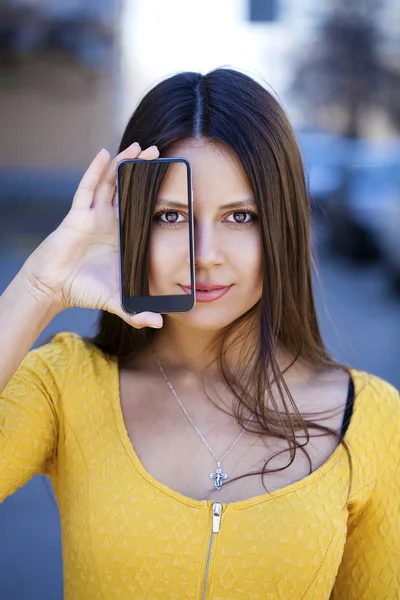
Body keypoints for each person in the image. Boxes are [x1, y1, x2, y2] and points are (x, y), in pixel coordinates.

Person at [1, 68, 399, 600]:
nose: (205, 253)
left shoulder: (372, 417)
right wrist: (40, 284)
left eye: (240, 216)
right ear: (133, 221)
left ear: (280, 224)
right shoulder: (63, 384)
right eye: (171, 215)